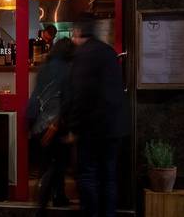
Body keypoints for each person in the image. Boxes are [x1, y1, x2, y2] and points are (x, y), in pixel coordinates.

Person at [62, 14, 129, 217]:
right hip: (115, 126)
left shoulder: (83, 55)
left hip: (92, 128)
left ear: (78, 32)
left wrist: (73, 127)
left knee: (88, 175)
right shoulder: (109, 52)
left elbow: (80, 95)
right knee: (108, 177)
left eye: (74, 33)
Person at [26, 38, 75, 215]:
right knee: (57, 164)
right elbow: (67, 99)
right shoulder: (67, 69)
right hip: (55, 124)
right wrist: (62, 124)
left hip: (39, 123)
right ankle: (43, 202)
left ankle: (56, 196)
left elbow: (37, 95)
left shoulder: (44, 67)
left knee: (49, 163)